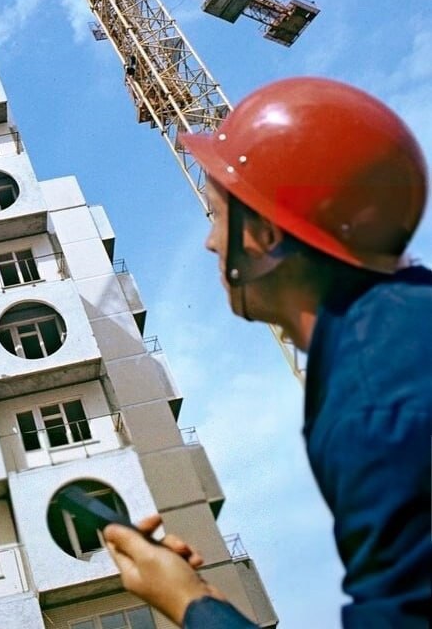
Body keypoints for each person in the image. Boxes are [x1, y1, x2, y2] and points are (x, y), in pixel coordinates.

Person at [104, 77, 430, 628]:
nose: (209, 242)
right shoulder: (401, 330)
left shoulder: (372, 408)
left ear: (268, 237)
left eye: (216, 215)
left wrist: (189, 605)